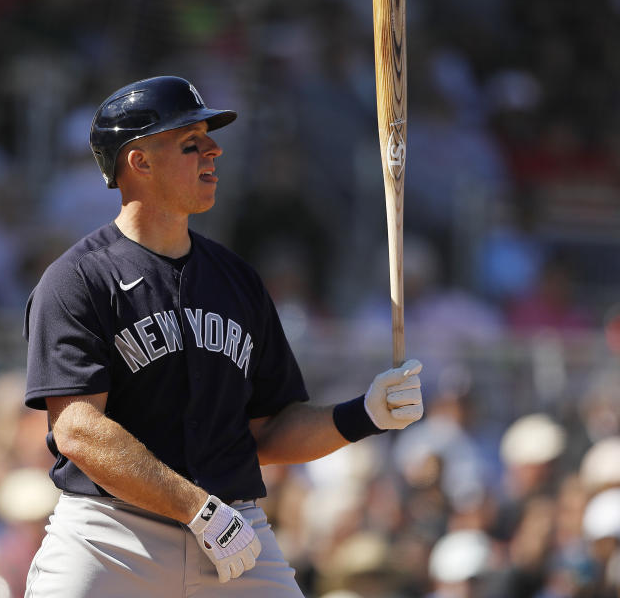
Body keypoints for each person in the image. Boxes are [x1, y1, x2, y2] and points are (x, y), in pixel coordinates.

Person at [22, 75, 425, 597]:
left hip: (234, 531)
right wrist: (195, 509)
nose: (214, 150)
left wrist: (364, 414)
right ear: (138, 162)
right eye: (191, 143)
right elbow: (77, 429)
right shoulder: (77, 279)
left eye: (209, 139)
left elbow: (268, 431)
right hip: (113, 536)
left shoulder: (237, 279)